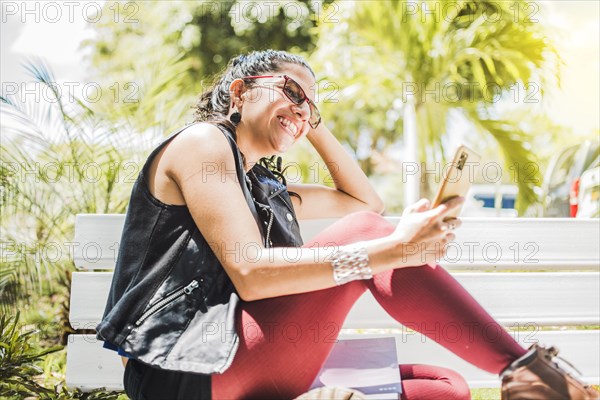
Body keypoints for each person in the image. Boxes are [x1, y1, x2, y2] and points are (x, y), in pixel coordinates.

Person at [97, 49, 599, 400]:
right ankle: (536, 378)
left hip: (247, 360)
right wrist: (389, 251)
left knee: (444, 389)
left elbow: (365, 200)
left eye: (311, 105)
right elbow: (251, 273)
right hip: (188, 368)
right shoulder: (203, 145)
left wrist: (306, 119)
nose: (300, 109)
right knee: (369, 234)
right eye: (290, 90)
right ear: (239, 91)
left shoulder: (263, 189)